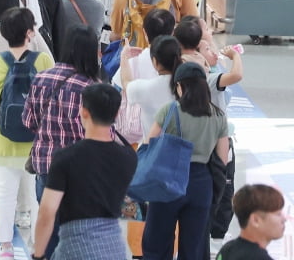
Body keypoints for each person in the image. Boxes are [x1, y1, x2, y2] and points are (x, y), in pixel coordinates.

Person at [32, 84, 138, 260]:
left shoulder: (65, 158)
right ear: (117, 114)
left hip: (75, 247)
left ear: (84, 112)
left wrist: (38, 255)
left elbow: (47, 211)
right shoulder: (129, 157)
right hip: (114, 247)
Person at [22, 25, 102, 258]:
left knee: (48, 226)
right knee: (77, 233)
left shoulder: (42, 78)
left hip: (47, 165)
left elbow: (28, 121)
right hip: (82, 171)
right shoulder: (93, 87)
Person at [0, 8, 54, 260]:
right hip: (37, 140)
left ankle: (5, 248)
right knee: (37, 196)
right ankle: (38, 244)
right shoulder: (43, 60)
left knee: (5, 193)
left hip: (5, 138)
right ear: (28, 33)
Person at [141, 63, 230, 260]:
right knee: (194, 247)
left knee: (157, 240)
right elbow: (222, 158)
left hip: (168, 180)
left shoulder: (171, 110)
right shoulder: (218, 115)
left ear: (180, 86)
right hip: (201, 183)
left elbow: (149, 144)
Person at [123, 34, 182, 132]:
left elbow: (126, 83)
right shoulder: (189, 83)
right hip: (186, 146)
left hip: (153, 145)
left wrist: (124, 57)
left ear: (155, 61)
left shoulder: (147, 88)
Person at [217, 185, 287, 260]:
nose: (284, 219)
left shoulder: (226, 250)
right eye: (278, 214)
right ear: (255, 220)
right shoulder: (259, 258)